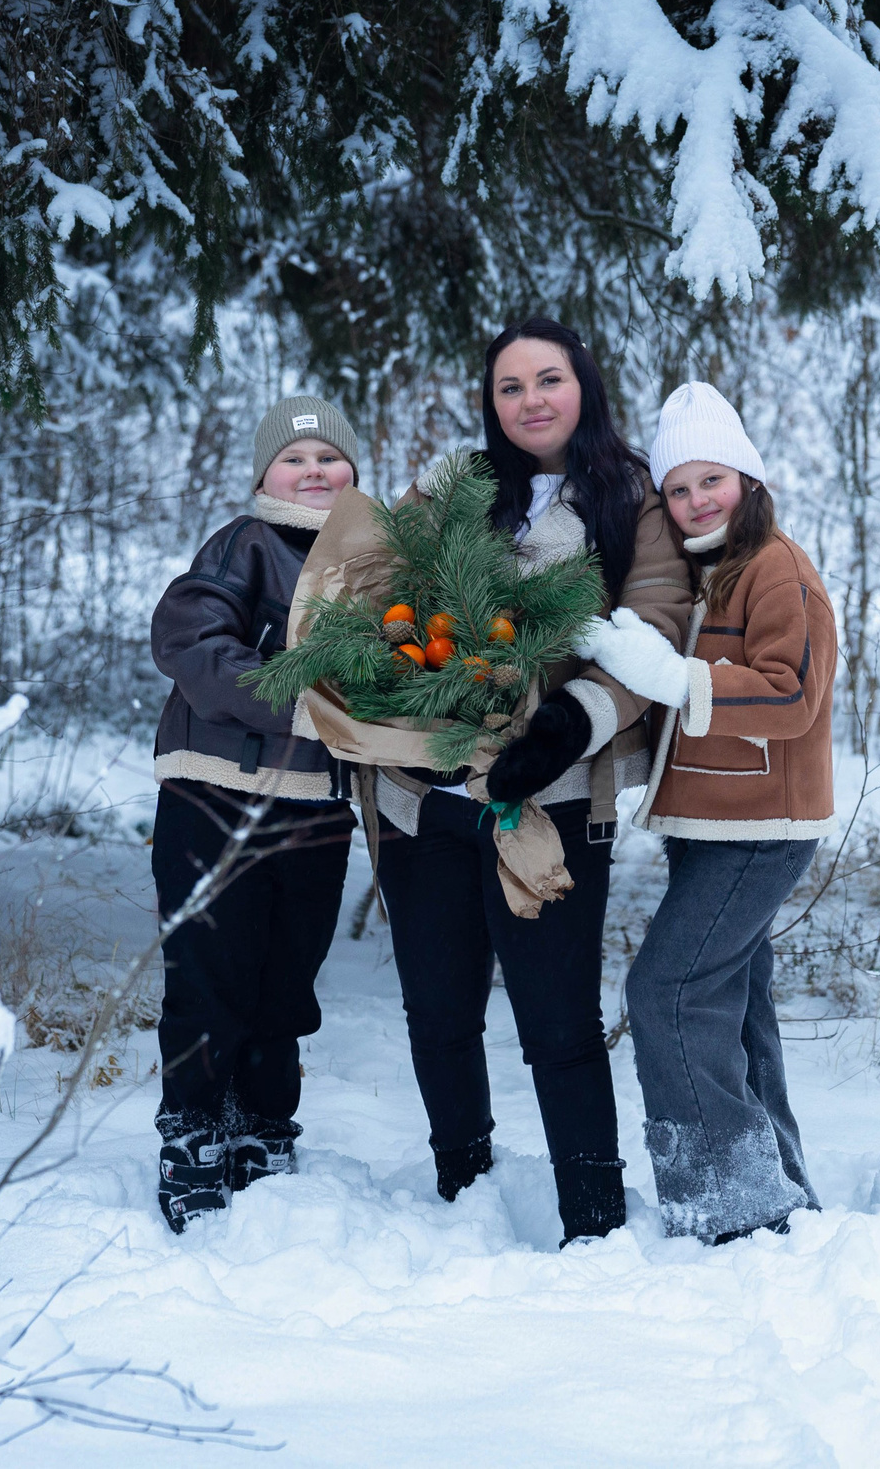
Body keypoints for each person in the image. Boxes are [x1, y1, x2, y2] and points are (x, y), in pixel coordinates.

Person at [365, 318, 694, 1245]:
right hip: (424, 791)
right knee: (437, 1005)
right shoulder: (452, 489)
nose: (530, 400)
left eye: (548, 379)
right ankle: (462, 1190)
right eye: (510, 387)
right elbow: (374, 591)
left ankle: (591, 1214)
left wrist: (564, 727)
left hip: (547, 796)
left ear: (582, 383)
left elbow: (658, 626)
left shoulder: (630, 499)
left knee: (558, 1017)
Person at [599, 381, 839, 1244]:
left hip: (762, 828)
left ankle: (731, 1207)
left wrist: (676, 677)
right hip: (711, 830)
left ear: (748, 478)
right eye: (678, 487)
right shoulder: (704, 569)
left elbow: (793, 695)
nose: (698, 498)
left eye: (714, 479)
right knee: (733, 1004)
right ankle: (777, 1185)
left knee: (664, 990)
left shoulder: (778, 566)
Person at [145, 397, 364, 1232]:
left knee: (284, 978)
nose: (313, 473)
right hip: (216, 789)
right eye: (293, 459)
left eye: (329, 459)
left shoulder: (373, 561)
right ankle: (193, 1129)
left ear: (353, 473)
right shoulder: (243, 544)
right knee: (210, 971)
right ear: (263, 476)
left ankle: (264, 1121)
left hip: (315, 807)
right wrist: (297, 698)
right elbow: (190, 638)